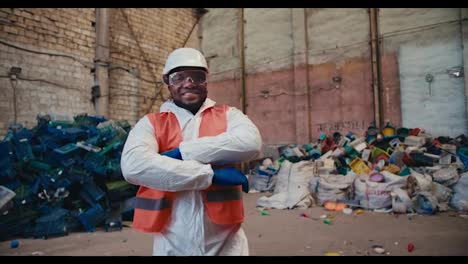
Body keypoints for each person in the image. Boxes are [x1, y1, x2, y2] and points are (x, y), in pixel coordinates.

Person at [121, 47, 262, 256]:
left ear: (206, 80)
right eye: (179, 77)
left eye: (197, 76)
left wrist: (182, 152)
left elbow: (251, 143)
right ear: (167, 81)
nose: (189, 83)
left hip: (226, 243)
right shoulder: (151, 123)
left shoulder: (228, 115)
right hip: (172, 242)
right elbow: (133, 166)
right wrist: (209, 175)